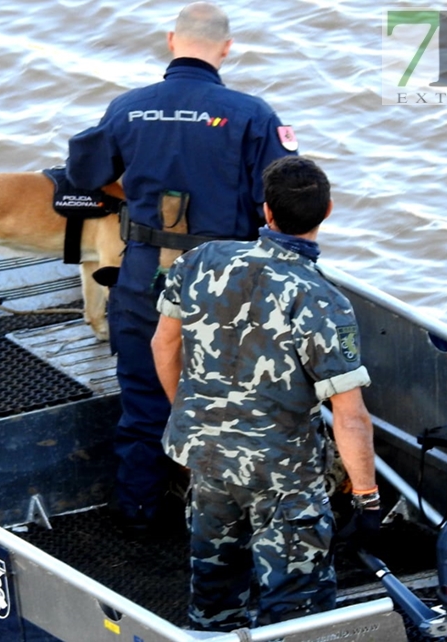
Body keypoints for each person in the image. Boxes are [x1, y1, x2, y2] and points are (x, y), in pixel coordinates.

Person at [65, 2, 298, 530]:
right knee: (234, 405)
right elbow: (283, 202)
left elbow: (81, 172)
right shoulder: (252, 114)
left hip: (145, 275)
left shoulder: (129, 108)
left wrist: (132, 196)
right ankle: (228, 526)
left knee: (145, 399)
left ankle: (141, 514)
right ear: (226, 48)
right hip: (227, 283)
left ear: (172, 42)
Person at [151, 156, 380, 630]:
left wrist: (191, 414)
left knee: (213, 598)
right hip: (284, 477)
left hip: (208, 459)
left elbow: (163, 344)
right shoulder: (321, 300)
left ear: (266, 211)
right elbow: (349, 416)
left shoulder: (201, 261)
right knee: (296, 610)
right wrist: (366, 496)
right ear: (328, 210)